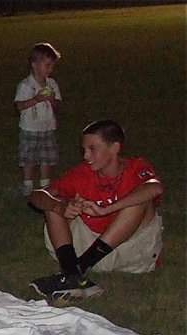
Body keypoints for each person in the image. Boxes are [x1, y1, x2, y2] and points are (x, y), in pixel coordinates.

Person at [28, 120, 164, 302]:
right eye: (84, 149)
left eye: (92, 149)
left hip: (131, 252)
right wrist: (61, 207)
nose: (86, 155)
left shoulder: (135, 168)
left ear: (115, 148)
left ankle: (75, 272)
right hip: (87, 245)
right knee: (53, 204)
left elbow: (155, 188)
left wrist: (107, 209)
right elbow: (37, 196)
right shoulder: (81, 174)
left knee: (140, 201)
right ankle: (73, 273)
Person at [15, 43, 62, 197]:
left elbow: (57, 106)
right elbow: (19, 106)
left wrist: (51, 99)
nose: (50, 69)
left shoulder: (52, 84)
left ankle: (45, 185)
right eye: (46, 65)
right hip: (30, 128)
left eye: (52, 65)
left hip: (47, 127)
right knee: (28, 157)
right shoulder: (26, 85)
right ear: (34, 65)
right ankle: (28, 184)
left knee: (46, 158)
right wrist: (36, 99)